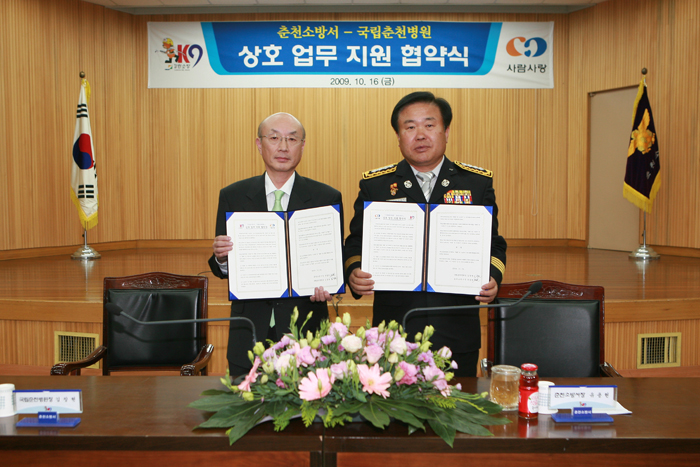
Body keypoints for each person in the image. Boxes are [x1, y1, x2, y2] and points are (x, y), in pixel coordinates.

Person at [344, 92, 507, 377]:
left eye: (429, 125)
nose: (420, 134)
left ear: (446, 132)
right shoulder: (377, 186)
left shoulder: (476, 184)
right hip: (396, 329)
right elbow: (356, 242)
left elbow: (494, 243)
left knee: (457, 401)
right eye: (410, 127)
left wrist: (493, 277)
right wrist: (354, 272)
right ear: (398, 137)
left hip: (456, 328)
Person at [209, 112, 342, 376]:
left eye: (292, 139)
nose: (283, 147)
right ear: (259, 145)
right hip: (249, 332)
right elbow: (220, 267)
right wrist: (222, 258)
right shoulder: (233, 196)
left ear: (302, 146)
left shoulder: (326, 198)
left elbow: (331, 261)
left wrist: (329, 284)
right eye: (274, 138)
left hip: (305, 333)